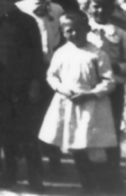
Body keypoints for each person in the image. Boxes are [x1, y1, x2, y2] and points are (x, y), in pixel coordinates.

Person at [39, 12, 123, 193]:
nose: (74, 34)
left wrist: (91, 94)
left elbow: (109, 81)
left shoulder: (97, 54)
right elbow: (51, 76)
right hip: (68, 103)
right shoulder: (61, 53)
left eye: (78, 29)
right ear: (63, 32)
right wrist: (62, 89)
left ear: (87, 29)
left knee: (93, 146)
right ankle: (86, 186)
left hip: (92, 107)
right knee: (75, 145)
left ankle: (101, 185)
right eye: (69, 31)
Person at [0, 0, 46, 190]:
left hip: (24, 86)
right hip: (0, 87)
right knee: (6, 131)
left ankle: (35, 177)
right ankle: (10, 174)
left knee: (29, 133)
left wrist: (35, 83)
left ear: (11, 0)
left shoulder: (27, 22)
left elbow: (37, 56)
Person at [84, 0, 126, 137]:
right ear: (87, 7)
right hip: (86, 86)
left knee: (111, 128)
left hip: (113, 87)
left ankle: (112, 152)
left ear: (112, 9)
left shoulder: (120, 33)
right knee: (87, 126)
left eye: (106, 7)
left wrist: (116, 67)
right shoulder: (81, 30)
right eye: (96, 6)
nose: (101, 11)